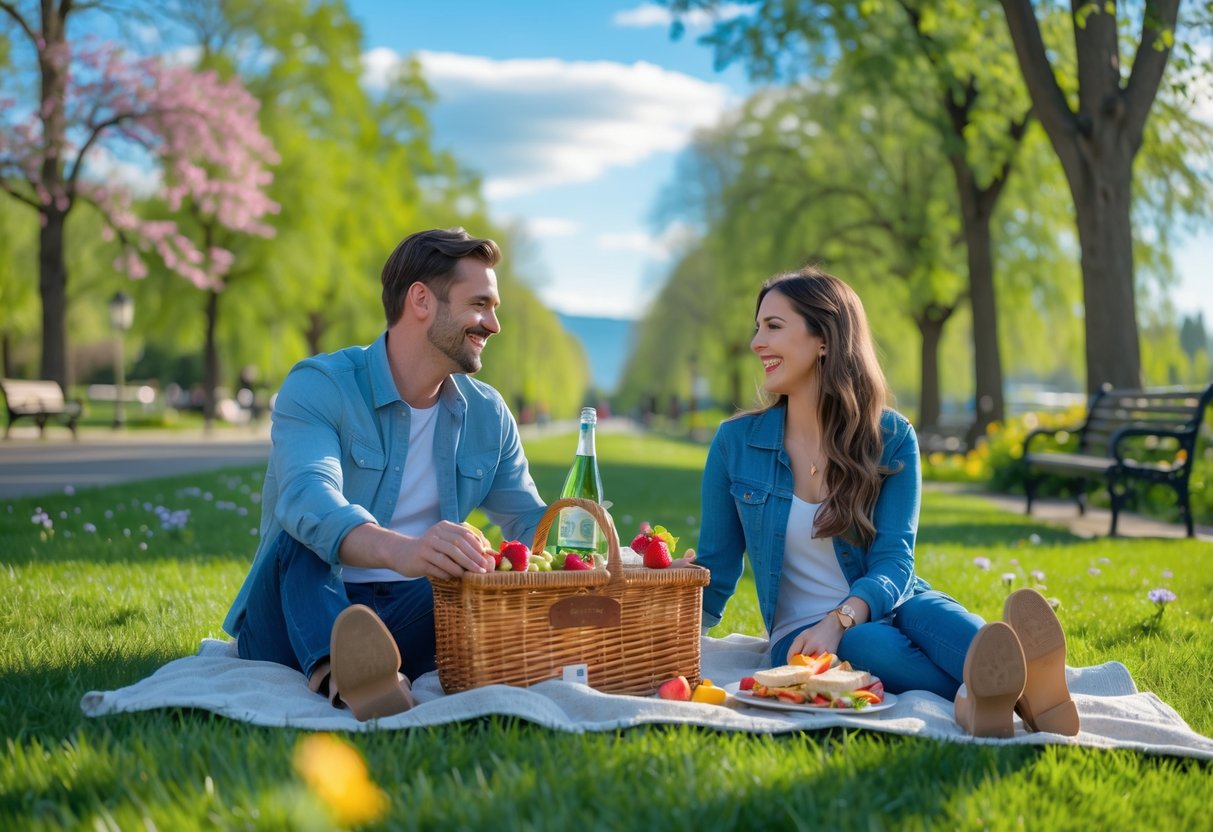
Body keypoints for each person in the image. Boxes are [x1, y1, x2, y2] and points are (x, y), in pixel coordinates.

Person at [695, 267, 1078, 737]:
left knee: (930, 612)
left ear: (825, 340)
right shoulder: (736, 443)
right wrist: (665, 617)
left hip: (890, 598)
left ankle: (1005, 687)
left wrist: (842, 615)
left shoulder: (891, 437)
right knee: (868, 643)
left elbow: (896, 560)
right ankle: (1021, 690)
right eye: (758, 327)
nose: (756, 342)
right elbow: (715, 570)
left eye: (773, 326)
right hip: (801, 636)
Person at [222, 228, 548, 720]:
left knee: (475, 574)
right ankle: (345, 673)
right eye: (480, 303)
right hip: (294, 614)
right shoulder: (320, 384)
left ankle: (377, 672)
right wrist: (408, 550)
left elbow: (530, 524)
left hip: (410, 615)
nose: (494, 323)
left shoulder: (488, 414)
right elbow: (308, 498)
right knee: (302, 535)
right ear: (421, 300)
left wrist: (616, 553)